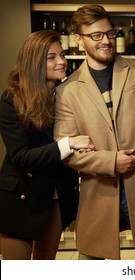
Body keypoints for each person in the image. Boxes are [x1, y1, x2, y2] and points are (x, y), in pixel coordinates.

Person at [54, 4, 135, 260]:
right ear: (79, 39)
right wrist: (111, 161)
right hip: (99, 193)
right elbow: (67, 150)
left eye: (110, 33)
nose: (106, 41)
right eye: (96, 36)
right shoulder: (67, 91)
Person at [0, 30, 95, 260]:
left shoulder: (66, 95)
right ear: (35, 62)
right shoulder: (12, 98)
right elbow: (22, 157)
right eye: (51, 57)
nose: (62, 61)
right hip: (22, 198)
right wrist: (69, 143)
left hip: (57, 196)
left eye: (61, 55)